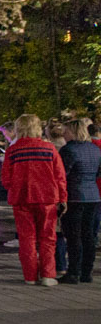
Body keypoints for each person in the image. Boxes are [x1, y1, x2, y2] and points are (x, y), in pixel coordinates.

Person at [1, 114, 67, 286]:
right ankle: (48, 275)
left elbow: (6, 179)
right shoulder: (49, 149)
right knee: (48, 238)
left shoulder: (12, 151)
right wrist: (63, 198)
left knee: (26, 238)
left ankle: (30, 276)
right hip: (47, 198)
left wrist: (16, 188)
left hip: (22, 199)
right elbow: (60, 176)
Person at [58, 119, 100, 285]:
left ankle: (73, 272)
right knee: (88, 235)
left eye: (66, 131)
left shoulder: (68, 150)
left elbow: (62, 173)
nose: (63, 134)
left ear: (73, 132)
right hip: (93, 196)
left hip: (74, 196)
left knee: (73, 235)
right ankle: (86, 272)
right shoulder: (95, 149)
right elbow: (98, 172)